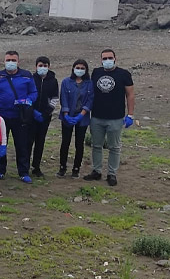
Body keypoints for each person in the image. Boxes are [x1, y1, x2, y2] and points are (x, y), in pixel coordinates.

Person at [85, 49, 135, 186]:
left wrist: (130, 115)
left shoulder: (124, 74)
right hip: (97, 116)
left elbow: (130, 95)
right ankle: (96, 171)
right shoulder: (96, 72)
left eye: (110, 57)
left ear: (115, 58)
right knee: (96, 145)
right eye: (104, 58)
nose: (107, 60)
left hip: (116, 118)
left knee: (114, 147)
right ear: (101, 60)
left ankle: (112, 173)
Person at [0, 51, 38, 183]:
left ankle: (23, 171)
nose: (11, 62)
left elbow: (34, 92)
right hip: (1, 116)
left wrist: (28, 100)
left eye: (13, 60)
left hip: (20, 116)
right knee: (0, 143)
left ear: (18, 62)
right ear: (4, 61)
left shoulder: (26, 76)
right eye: (8, 60)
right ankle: (0, 170)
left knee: (22, 144)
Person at [57, 59, 94, 178]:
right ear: (73, 68)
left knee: (79, 143)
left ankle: (76, 169)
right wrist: (66, 114)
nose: (80, 70)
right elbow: (63, 98)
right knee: (65, 142)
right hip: (68, 116)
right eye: (77, 67)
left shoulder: (89, 83)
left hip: (82, 117)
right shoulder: (66, 82)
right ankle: (62, 167)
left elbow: (90, 99)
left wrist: (81, 115)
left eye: (82, 68)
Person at [28, 56, 59, 177]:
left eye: (45, 66)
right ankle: (25, 166)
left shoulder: (53, 81)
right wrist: (32, 111)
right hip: (31, 116)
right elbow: (27, 96)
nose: (43, 68)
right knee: (28, 141)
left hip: (45, 117)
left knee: (40, 142)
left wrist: (46, 113)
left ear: (49, 67)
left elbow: (54, 99)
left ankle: (36, 167)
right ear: (36, 66)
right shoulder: (31, 79)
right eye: (40, 65)